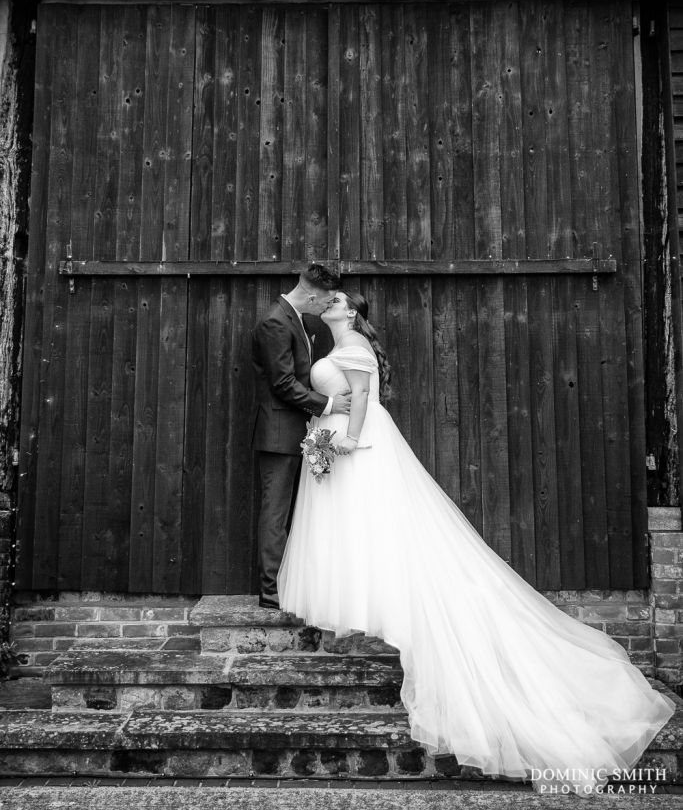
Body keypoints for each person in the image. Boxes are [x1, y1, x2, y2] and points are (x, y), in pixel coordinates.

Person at [277, 290, 677, 797]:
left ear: (351, 312)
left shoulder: (351, 342)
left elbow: (363, 396)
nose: (327, 301)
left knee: (376, 527)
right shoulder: (332, 340)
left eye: (335, 298)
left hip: (357, 446)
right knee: (358, 530)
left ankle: (386, 606)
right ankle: (369, 601)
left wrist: (348, 440)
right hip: (333, 440)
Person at [250, 264, 351, 609]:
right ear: (311, 295)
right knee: (275, 512)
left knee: (299, 510)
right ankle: (270, 592)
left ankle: (289, 583)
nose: (325, 308)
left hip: (302, 430)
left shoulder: (297, 320)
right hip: (278, 434)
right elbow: (282, 384)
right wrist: (330, 404)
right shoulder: (275, 322)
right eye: (324, 302)